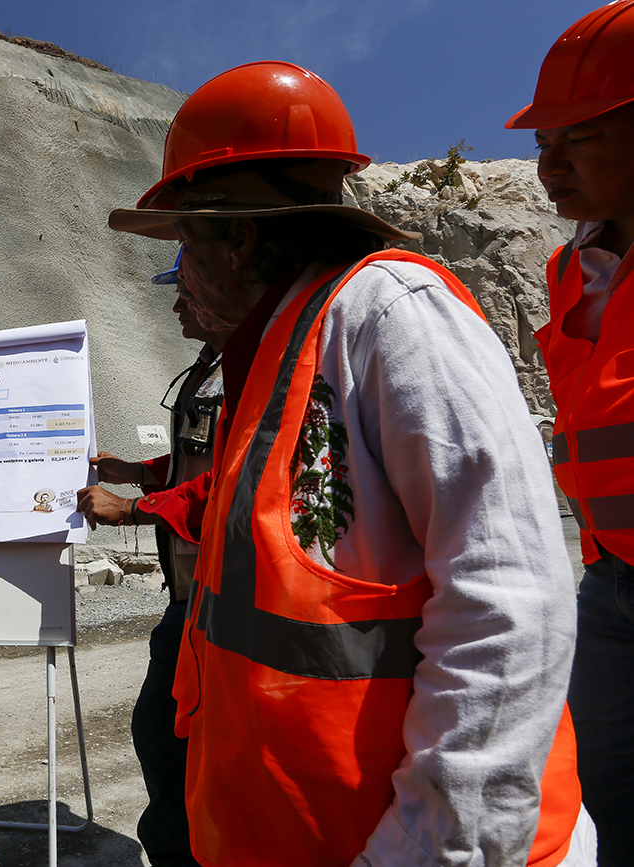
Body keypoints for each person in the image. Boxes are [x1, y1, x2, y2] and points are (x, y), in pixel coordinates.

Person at [108, 61, 592, 866]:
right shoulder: (275, 355)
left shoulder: (392, 314)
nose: (179, 275)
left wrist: (434, 848)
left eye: (186, 244)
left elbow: (508, 606)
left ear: (241, 236)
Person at [506, 5, 634, 863]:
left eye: (574, 139)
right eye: (543, 143)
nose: (547, 166)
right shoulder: (567, 268)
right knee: (612, 802)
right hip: (612, 579)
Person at [75, 252, 223, 867]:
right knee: (162, 737)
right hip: (187, 596)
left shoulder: (255, 372)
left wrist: (133, 510)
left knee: (174, 741)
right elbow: (192, 461)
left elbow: (232, 486)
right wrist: (136, 472)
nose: (176, 305)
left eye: (185, 289)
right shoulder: (207, 371)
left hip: (223, 599)